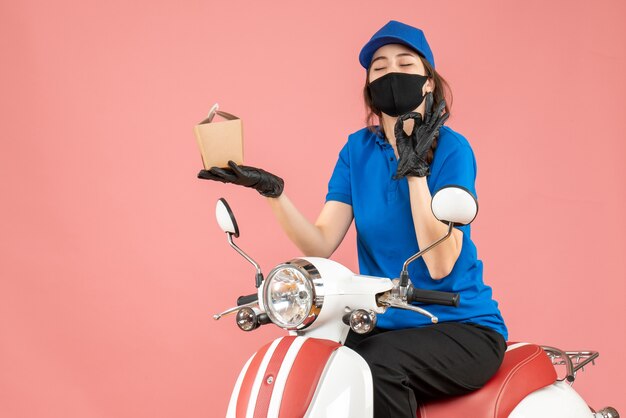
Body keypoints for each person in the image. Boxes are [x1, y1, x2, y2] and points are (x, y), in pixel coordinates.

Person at [199, 20, 508, 418]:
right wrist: (271, 191)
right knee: (317, 361)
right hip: (382, 323)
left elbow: (440, 261)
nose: (391, 73)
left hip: (462, 326)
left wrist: (414, 171)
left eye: (405, 64)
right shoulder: (357, 150)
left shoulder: (453, 149)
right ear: (369, 86)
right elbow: (320, 243)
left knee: (371, 365)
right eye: (379, 68)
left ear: (428, 82)